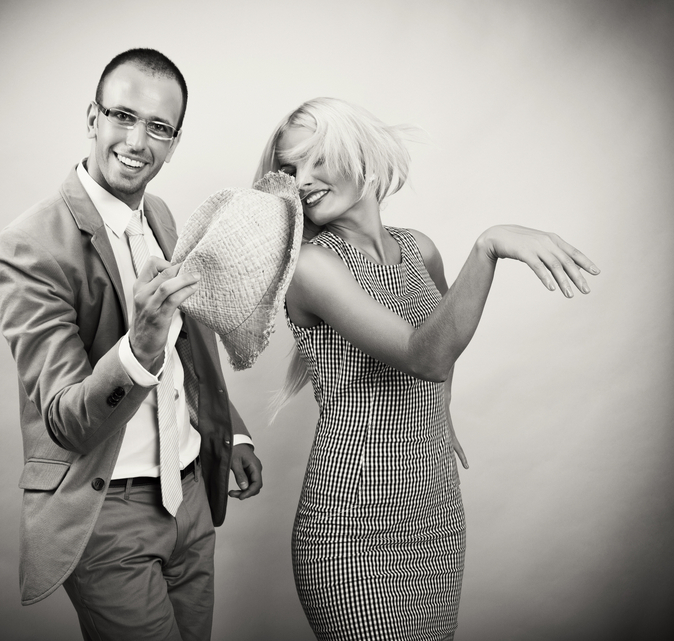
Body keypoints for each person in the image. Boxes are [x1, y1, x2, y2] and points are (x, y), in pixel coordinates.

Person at [254, 97, 599, 641]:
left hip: (434, 511)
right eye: (290, 168)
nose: (301, 180)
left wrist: (439, 412)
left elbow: (442, 342)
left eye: (316, 160)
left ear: (359, 156)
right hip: (353, 528)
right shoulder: (313, 266)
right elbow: (427, 355)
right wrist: (488, 245)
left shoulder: (420, 250)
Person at [0, 48, 263, 641]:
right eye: (123, 116)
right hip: (107, 511)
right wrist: (137, 349)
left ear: (175, 141)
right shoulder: (31, 246)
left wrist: (230, 428)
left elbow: (188, 345)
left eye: (159, 128)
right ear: (92, 117)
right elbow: (65, 420)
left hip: (189, 497)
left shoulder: (162, 215)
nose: (138, 141)